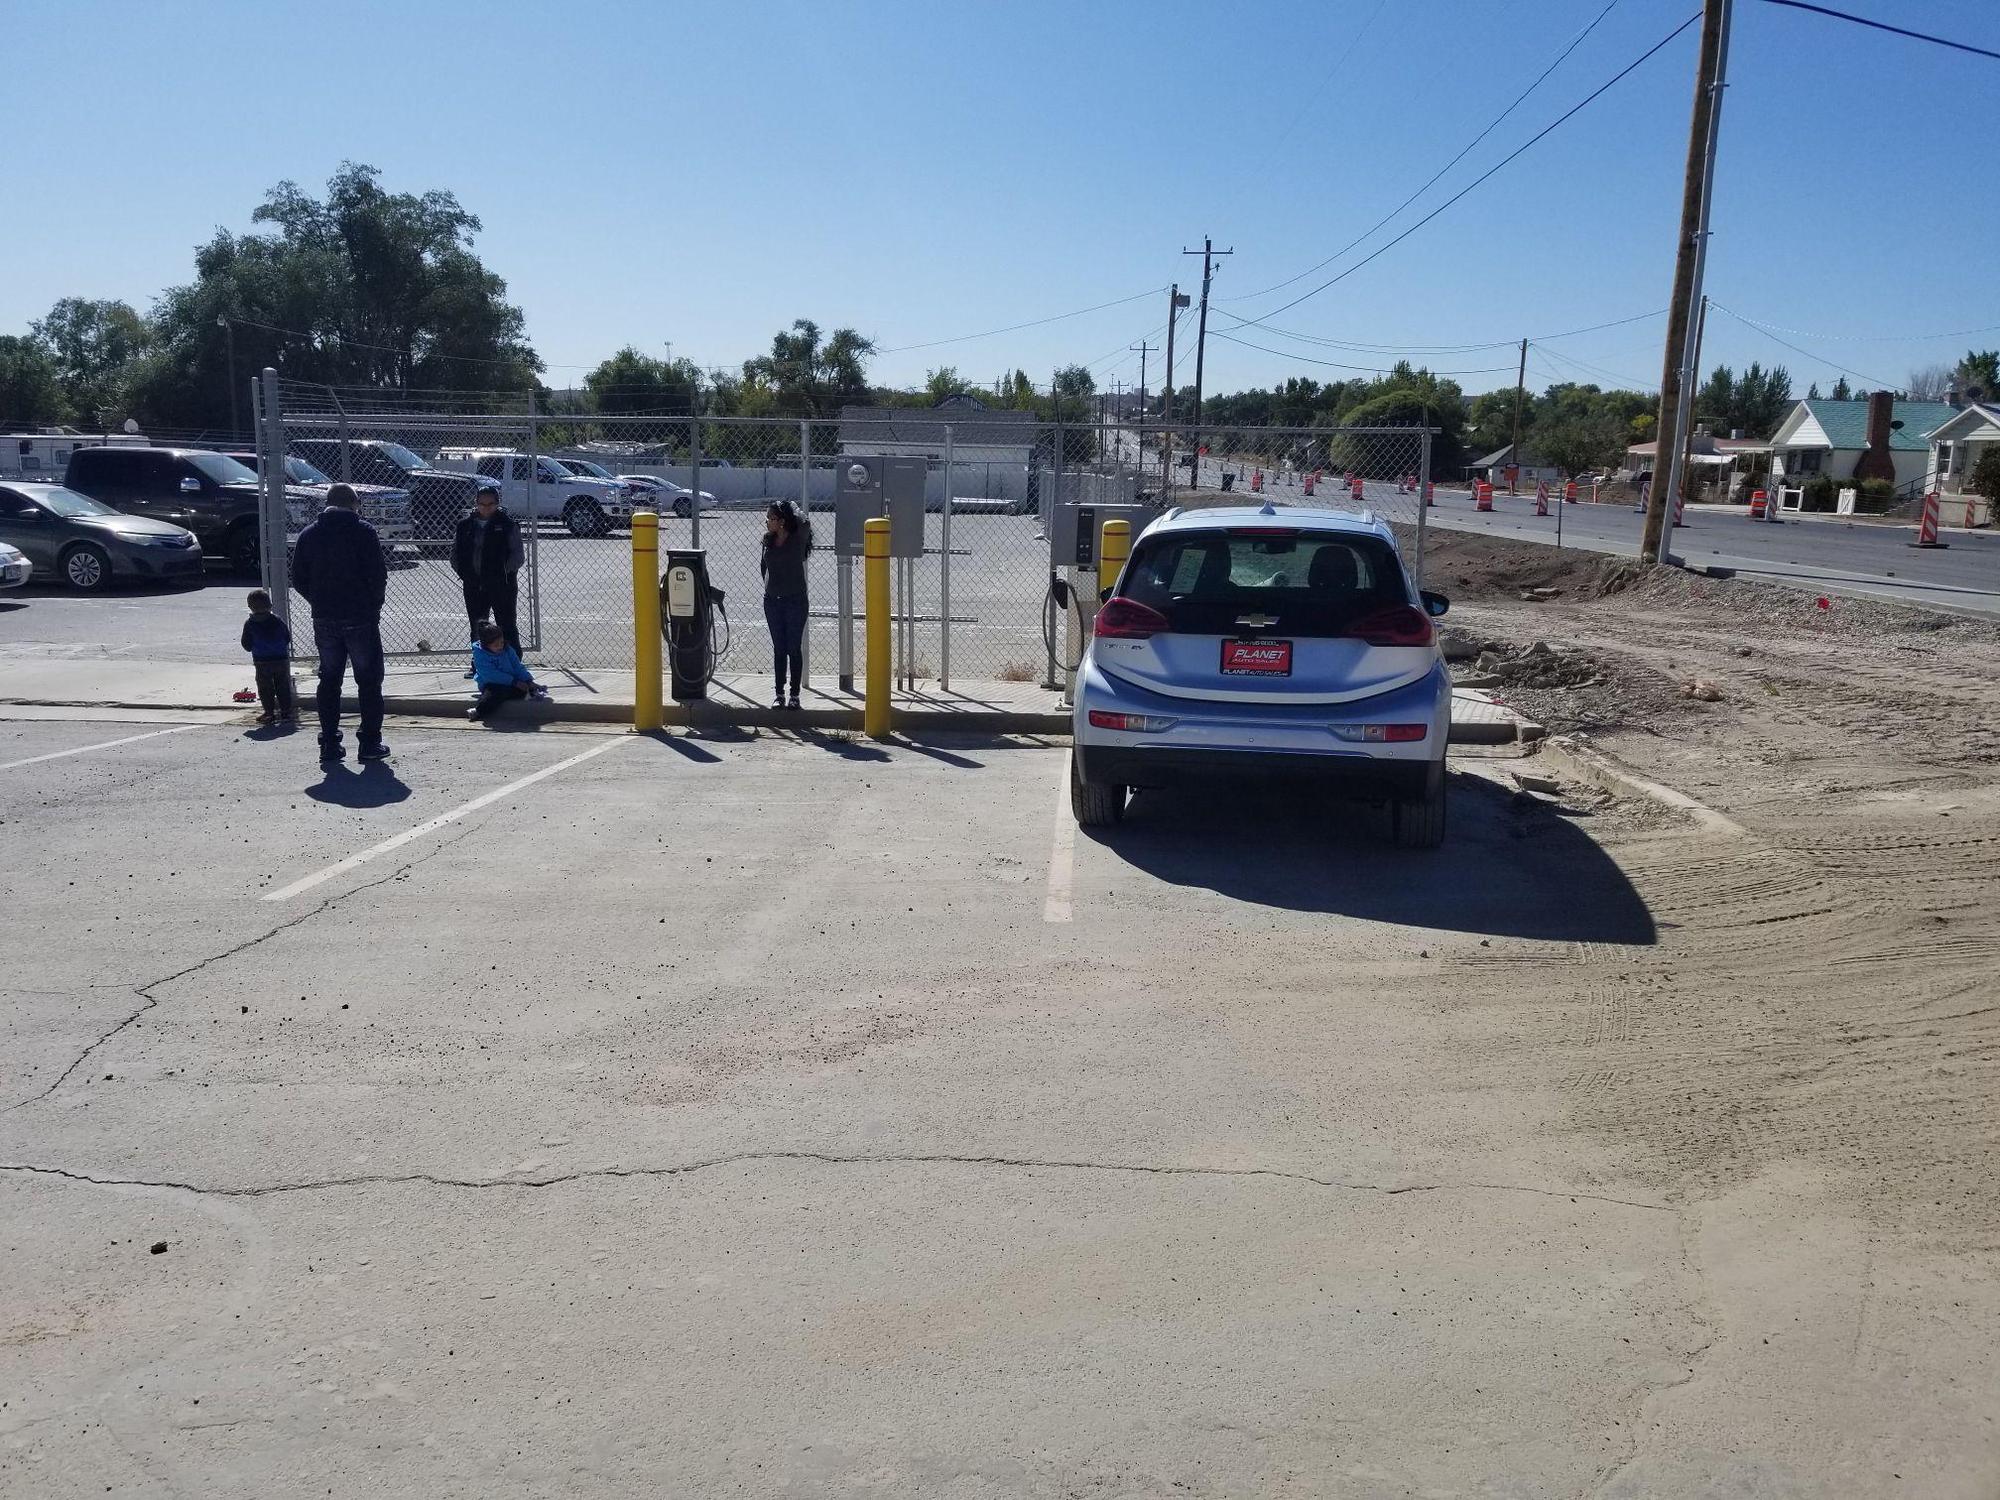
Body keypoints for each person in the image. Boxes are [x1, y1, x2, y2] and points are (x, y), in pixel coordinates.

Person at [291, 482, 389, 763]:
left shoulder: (310, 534)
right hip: (359, 616)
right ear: (354, 503)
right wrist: (373, 607)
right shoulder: (363, 532)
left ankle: (330, 744)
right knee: (369, 681)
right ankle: (370, 742)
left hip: (325, 617)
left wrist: (318, 600)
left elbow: (298, 577)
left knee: (330, 679)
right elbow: (377, 575)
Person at [452, 481, 524, 674]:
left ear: (497, 504)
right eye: (482, 504)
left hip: (502, 585)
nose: (486, 508)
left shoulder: (507, 525)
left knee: (506, 625)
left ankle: (513, 665)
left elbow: (517, 556)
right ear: (476, 503)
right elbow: (456, 555)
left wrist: (502, 572)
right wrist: (466, 574)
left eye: (490, 504)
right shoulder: (464, 526)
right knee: (477, 626)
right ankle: (479, 666)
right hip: (474, 585)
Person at [759, 499, 811, 709]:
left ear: (781, 521)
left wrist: (792, 507)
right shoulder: (767, 540)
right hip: (773, 602)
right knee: (779, 648)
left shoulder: (797, 538)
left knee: (793, 648)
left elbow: (805, 522)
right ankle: (779, 694)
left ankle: (794, 695)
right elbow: (763, 567)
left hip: (795, 600)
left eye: (771, 518)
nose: (767, 522)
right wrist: (770, 588)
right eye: (767, 518)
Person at [468, 621, 548, 721]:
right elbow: (490, 675)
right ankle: (478, 711)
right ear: (486, 645)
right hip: (492, 684)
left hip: (512, 682)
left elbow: (517, 666)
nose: (500, 646)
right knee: (495, 694)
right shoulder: (480, 655)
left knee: (520, 689)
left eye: (501, 642)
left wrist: (528, 681)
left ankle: (529, 692)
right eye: (496, 645)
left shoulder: (508, 650)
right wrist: (514, 682)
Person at [239, 588, 296, 727]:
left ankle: (269, 713)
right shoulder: (277, 620)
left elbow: (246, 644)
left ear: (250, 607)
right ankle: (286, 712)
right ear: (270, 605)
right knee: (282, 685)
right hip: (281, 659)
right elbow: (287, 637)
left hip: (261, 660)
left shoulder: (250, 623)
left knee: (265, 687)